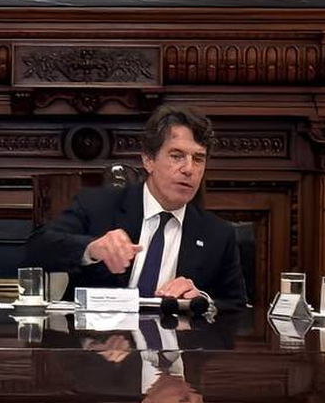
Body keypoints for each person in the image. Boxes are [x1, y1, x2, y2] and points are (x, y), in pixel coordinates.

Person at [23, 104, 248, 309]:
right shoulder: (97, 206)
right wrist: (91, 249)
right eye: (177, 156)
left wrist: (201, 301)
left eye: (198, 159)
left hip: (176, 346)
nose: (189, 169)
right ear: (148, 160)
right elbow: (35, 250)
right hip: (100, 345)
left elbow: (236, 307)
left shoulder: (218, 234)